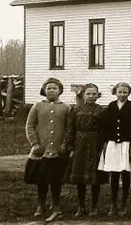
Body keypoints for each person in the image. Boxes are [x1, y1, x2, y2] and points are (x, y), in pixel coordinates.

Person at [25, 77, 73, 222]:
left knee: (56, 179)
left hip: (58, 151)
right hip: (41, 151)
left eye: (54, 88)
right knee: (41, 179)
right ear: (44, 91)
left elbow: (69, 128)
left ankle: (56, 205)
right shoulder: (37, 106)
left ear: (60, 91)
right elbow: (29, 126)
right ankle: (40, 205)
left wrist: (65, 143)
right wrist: (34, 144)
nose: (51, 90)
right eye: (49, 88)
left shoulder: (66, 107)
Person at [99, 82, 131, 218]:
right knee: (114, 174)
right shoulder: (111, 106)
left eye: (125, 92)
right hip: (113, 144)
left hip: (126, 144)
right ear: (115, 92)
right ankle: (114, 203)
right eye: (120, 92)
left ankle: (124, 203)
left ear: (129, 93)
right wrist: (105, 143)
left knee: (125, 173)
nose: (122, 94)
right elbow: (105, 126)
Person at [67, 83, 106, 218]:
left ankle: (94, 205)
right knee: (80, 177)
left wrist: (102, 148)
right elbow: (70, 129)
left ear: (98, 95)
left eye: (94, 94)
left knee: (94, 177)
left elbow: (103, 130)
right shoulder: (76, 110)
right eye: (88, 94)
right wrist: (70, 147)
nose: (91, 96)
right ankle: (81, 205)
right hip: (79, 144)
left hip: (94, 143)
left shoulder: (101, 111)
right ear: (83, 95)